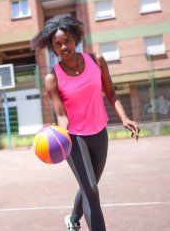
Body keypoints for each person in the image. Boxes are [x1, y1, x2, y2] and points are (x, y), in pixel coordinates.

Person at [30, 16, 140, 231]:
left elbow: (110, 91)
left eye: (67, 41)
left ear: (75, 39)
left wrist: (124, 118)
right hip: (74, 138)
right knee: (90, 189)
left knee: (90, 185)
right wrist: (58, 136)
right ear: (52, 48)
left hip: (99, 133)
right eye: (57, 44)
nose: (63, 46)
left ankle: (72, 219)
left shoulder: (96, 60)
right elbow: (61, 114)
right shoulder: (52, 78)